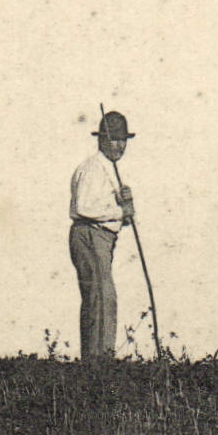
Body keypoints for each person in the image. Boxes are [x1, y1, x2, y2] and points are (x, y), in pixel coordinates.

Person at [70, 111, 136, 361]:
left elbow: (113, 215)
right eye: (114, 140)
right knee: (100, 298)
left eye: (123, 140)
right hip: (90, 236)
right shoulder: (93, 168)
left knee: (103, 298)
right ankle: (98, 363)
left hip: (103, 239)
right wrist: (119, 210)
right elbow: (83, 208)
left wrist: (124, 209)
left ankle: (100, 359)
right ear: (101, 140)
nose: (119, 145)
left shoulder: (109, 170)